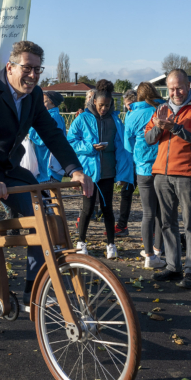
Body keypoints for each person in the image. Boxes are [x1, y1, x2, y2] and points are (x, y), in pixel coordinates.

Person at [0, 41, 92, 328]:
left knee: (45, 220)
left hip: (6, 167)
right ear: (10, 68)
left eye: (38, 69)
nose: (34, 75)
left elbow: (52, 134)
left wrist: (75, 169)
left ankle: (32, 290)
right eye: (28, 68)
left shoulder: (35, 96)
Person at [144, 69, 191, 289]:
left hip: (187, 174)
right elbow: (149, 139)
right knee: (167, 223)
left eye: (179, 88)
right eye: (171, 89)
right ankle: (173, 266)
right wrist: (158, 126)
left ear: (188, 85)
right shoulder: (161, 109)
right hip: (161, 174)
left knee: (190, 224)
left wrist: (176, 128)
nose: (175, 92)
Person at [68, 79, 133, 259]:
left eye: (107, 105)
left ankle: (111, 245)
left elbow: (122, 146)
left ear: (111, 103)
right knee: (87, 209)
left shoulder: (115, 120)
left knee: (107, 209)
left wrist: (123, 172)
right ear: (93, 102)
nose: (103, 108)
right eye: (100, 105)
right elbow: (70, 141)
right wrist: (90, 147)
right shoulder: (82, 119)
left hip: (108, 172)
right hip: (88, 172)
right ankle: (81, 242)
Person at [125, 82, 166, 268]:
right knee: (161, 213)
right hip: (161, 165)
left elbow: (127, 145)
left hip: (142, 168)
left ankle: (148, 255)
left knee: (147, 213)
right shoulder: (161, 110)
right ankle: (158, 250)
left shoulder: (132, 115)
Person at [114, 88, 139, 237]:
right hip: (130, 160)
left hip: (140, 160)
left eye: (130, 104)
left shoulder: (138, 114)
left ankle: (155, 230)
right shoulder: (128, 115)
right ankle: (122, 225)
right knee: (126, 193)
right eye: (126, 105)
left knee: (149, 195)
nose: (128, 107)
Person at [28, 90, 66, 183]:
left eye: (44, 101)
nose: (41, 104)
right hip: (45, 162)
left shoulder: (52, 116)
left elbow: (43, 138)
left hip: (48, 165)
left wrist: (30, 130)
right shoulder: (54, 115)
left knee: (46, 194)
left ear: (52, 102)